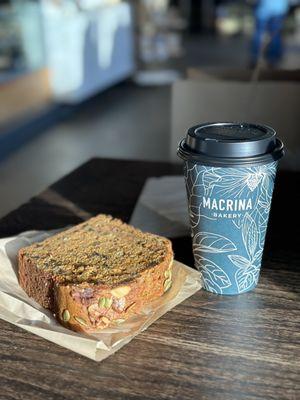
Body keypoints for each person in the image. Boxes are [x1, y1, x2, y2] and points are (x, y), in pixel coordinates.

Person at [251, 0, 289, 67]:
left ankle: (256, 57)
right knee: (275, 34)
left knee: (260, 33)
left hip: (264, 9)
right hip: (279, 8)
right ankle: (272, 59)